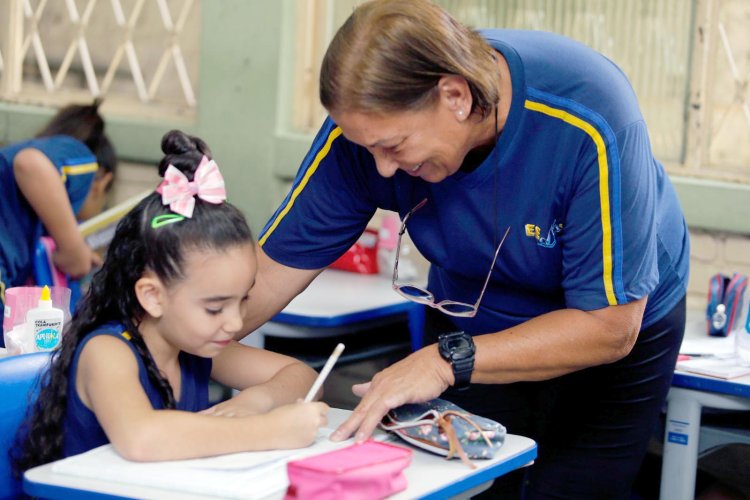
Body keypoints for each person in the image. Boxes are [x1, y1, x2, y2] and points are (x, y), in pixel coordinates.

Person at [235, 1, 691, 498]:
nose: (382, 170)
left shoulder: (588, 117)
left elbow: (608, 327)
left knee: (568, 489)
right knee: (466, 486)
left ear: (454, 95)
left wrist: (440, 362)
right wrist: (152, 344)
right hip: (472, 317)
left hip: (606, 333)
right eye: (368, 149)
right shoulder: (368, 130)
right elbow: (266, 277)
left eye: (394, 147)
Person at [11, 130, 328, 477]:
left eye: (243, 301)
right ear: (153, 297)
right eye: (215, 308)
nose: (236, 323)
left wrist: (258, 400)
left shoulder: (196, 345)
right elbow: (142, 437)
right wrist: (269, 431)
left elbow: (305, 377)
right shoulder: (107, 352)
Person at [0, 100, 117, 344]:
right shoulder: (80, 155)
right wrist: (73, 249)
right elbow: (30, 164)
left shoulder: (27, 211)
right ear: (102, 181)